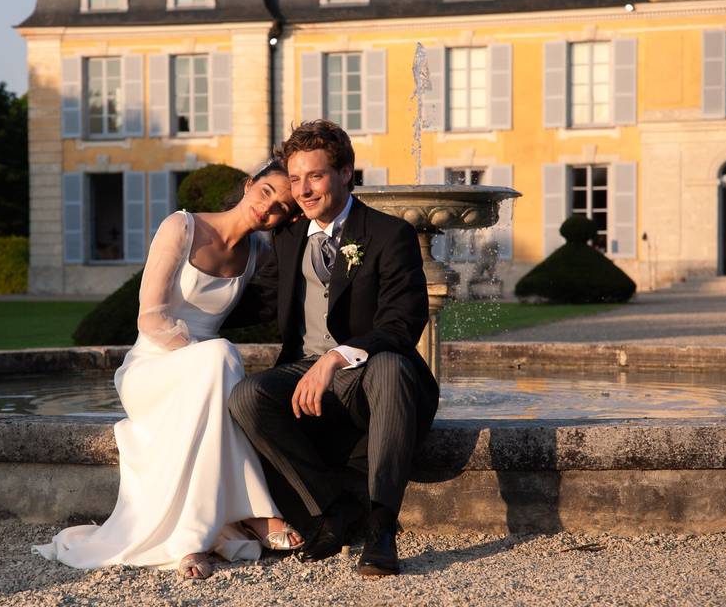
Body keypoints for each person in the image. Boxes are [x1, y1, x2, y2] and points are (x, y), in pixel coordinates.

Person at [34, 160, 303, 580]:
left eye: (281, 209)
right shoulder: (182, 227)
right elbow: (151, 319)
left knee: (218, 365)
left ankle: (192, 542)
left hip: (203, 374)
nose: (268, 209)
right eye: (266, 193)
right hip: (151, 369)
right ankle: (253, 515)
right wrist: (201, 359)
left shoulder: (257, 255)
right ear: (250, 185)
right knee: (220, 356)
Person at [227, 120, 440, 577]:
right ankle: (333, 508)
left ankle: (382, 526)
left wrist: (336, 356)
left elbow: (403, 322)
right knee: (246, 396)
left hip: (369, 374)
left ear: (345, 173)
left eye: (316, 176)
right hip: (301, 369)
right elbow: (260, 301)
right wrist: (194, 292)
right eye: (296, 178)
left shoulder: (389, 234)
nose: (303, 190)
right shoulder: (287, 238)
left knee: (391, 368)